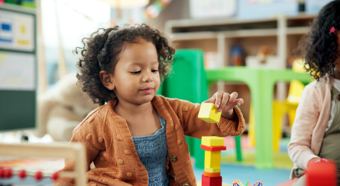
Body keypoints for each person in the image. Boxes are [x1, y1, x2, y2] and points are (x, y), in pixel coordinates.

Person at [54, 24, 245, 186]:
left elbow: (206, 122)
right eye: (136, 71)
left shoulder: (173, 110)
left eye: (154, 69)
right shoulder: (95, 124)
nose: (148, 77)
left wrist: (224, 111)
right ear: (108, 79)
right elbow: (72, 172)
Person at [288, 1, 340, 185]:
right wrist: (313, 162)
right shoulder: (316, 92)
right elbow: (297, 145)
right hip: (319, 178)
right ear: (331, 45)